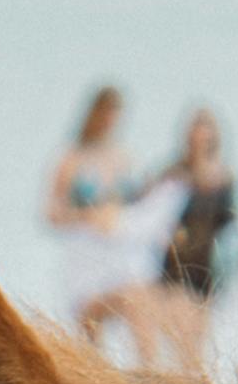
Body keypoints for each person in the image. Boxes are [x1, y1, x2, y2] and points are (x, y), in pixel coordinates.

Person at [37, 84, 171, 363]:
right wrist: (86, 216)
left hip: (117, 252)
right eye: (108, 114)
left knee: (138, 300)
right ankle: (97, 377)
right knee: (91, 328)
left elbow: (135, 206)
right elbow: (51, 213)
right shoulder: (71, 158)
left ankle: (151, 373)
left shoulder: (122, 157)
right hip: (85, 256)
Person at [124, 106, 236, 374]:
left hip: (201, 271)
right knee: (155, 338)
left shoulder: (222, 178)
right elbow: (141, 205)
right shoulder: (173, 173)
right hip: (170, 268)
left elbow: (228, 223)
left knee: (191, 353)